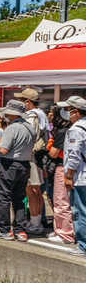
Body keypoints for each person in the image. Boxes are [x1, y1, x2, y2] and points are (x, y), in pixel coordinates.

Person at [0, 100, 35, 241]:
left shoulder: (11, 128)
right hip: (25, 164)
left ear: (12, 113)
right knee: (19, 199)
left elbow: (3, 150)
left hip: (9, 165)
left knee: (3, 197)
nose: (6, 115)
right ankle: (20, 230)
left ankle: (4, 230)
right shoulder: (30, 127)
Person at [15, 88, 49, 235]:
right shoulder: (41, 114)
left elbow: (27, 137)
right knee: (37, 190)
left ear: (27, 102)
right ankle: (37, 221)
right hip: (38, 156)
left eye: (21, 100)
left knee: (31, 190)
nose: (19, 103)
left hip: (30, 156)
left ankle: (34, 224)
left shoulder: (31, 116)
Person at [60, 96, 86, 257]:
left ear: (75, 111)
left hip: (80, 177)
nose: (65, 112)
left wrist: (69, 177)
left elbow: (74, 156)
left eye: (67, 109)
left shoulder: (76, 129)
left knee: (80, 211)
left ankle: (83, 246)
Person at [46, 103, 75, 244]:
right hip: (71, 168)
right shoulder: (72, 128)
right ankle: (62, 229)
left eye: (51, 112)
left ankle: (65, 233)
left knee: (61, 200)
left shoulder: (62, 132)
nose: (49, 115)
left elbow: (53, 153)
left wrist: (49, 146)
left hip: (61, 167)